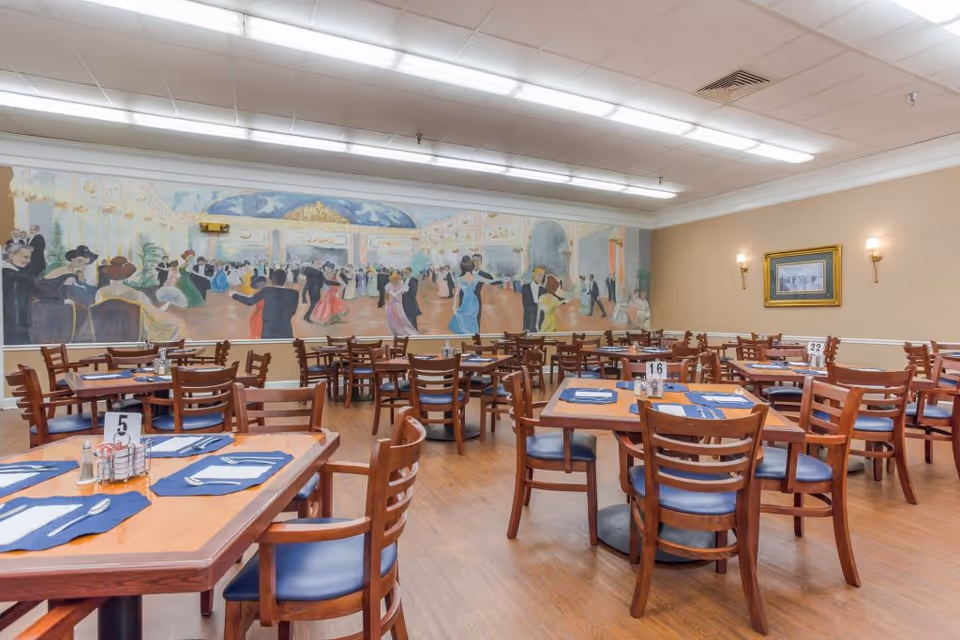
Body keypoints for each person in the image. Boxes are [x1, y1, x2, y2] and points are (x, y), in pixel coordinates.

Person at [96, 257, 182, 342]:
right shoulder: (136, 294)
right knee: (170, 327)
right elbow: (154, 314)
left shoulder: (100, 293)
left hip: (106, 336)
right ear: (127, 274)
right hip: (133, 337)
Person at [233, 269, 299, 339]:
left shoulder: (267, 290)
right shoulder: (294, 294)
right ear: (285, 280)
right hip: (286, 332)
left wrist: (234, 295)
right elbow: (293, 312)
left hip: (269, 332)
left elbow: (250, 301)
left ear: (272, 280)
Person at [2, 242, 37, 345]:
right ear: (12, 255)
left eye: (29, 258)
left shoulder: (15, 275)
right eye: (25, 257)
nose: (28, 261)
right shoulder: (13, 276)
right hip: (13, 325)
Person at [465, 253, 501, 325]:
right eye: (474, 261)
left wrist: (503, 279)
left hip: (477, 299)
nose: (476, 263)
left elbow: (493, 282)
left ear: (481, 263)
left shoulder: (484, 274)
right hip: (467, 299)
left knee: (477, 317)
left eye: (478, 261)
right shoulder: (466, 273)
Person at [384, 271, 419, 336]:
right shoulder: (388, 286)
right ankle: (395, 331)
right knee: (391, 319)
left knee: (400, 319)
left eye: (397, 279)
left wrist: (397, 293)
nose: (396, 281)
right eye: (394, 279)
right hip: (392, 306)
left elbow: (400, 295)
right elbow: (388, 297)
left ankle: (400, 331)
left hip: (399, 306)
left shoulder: (402, 284)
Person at [520, 266, 546, 333]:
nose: (541, 278)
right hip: (529, 319)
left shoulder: (543, 290)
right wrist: (525, 327)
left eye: (542, 276)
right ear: (534, 274)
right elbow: (525, 307)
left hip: (540, 319)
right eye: (539, 275)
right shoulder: (525, 288)